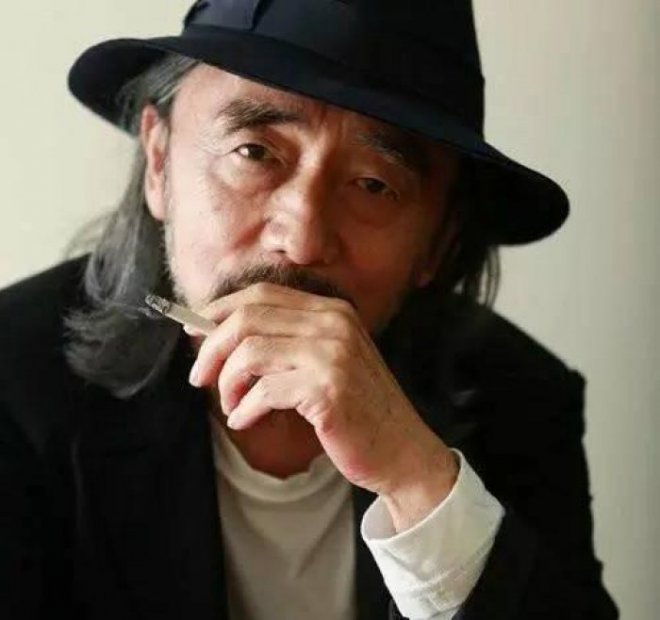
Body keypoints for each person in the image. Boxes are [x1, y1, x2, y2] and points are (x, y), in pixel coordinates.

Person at [0, 1, 618, 619]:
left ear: (437, 244)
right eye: (254, 152)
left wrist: (416, 481)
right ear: (159, 163)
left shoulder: (519, 401)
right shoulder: (14, 382)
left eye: (374, 184)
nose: (301, 240)